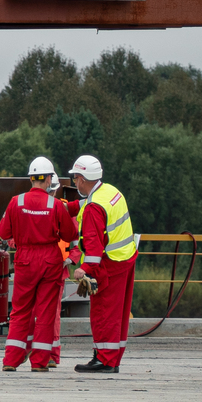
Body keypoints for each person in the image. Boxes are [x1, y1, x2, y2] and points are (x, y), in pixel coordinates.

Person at [0, 156, 79, 373]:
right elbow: (71, 234)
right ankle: (40, 362)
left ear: (32, 178)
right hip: (49, 260)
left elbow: (4, 232)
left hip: (24, 259)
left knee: (20, 311)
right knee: (45, 313)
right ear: (49, 179)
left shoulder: (16, 202)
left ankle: (11, 360)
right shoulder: (55, 205)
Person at [68, 154, 139, 374]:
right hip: (126, 259)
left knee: (103, 313)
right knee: (119, 314)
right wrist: (64, 207)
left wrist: (82, 270)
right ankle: (113, 358)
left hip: (108, 266)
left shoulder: (93, 210)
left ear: (82, 178)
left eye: (75, 178)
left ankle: (104, 360)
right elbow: (85, 203)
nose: (74, 182)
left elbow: (94, 252)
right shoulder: (110, 191)